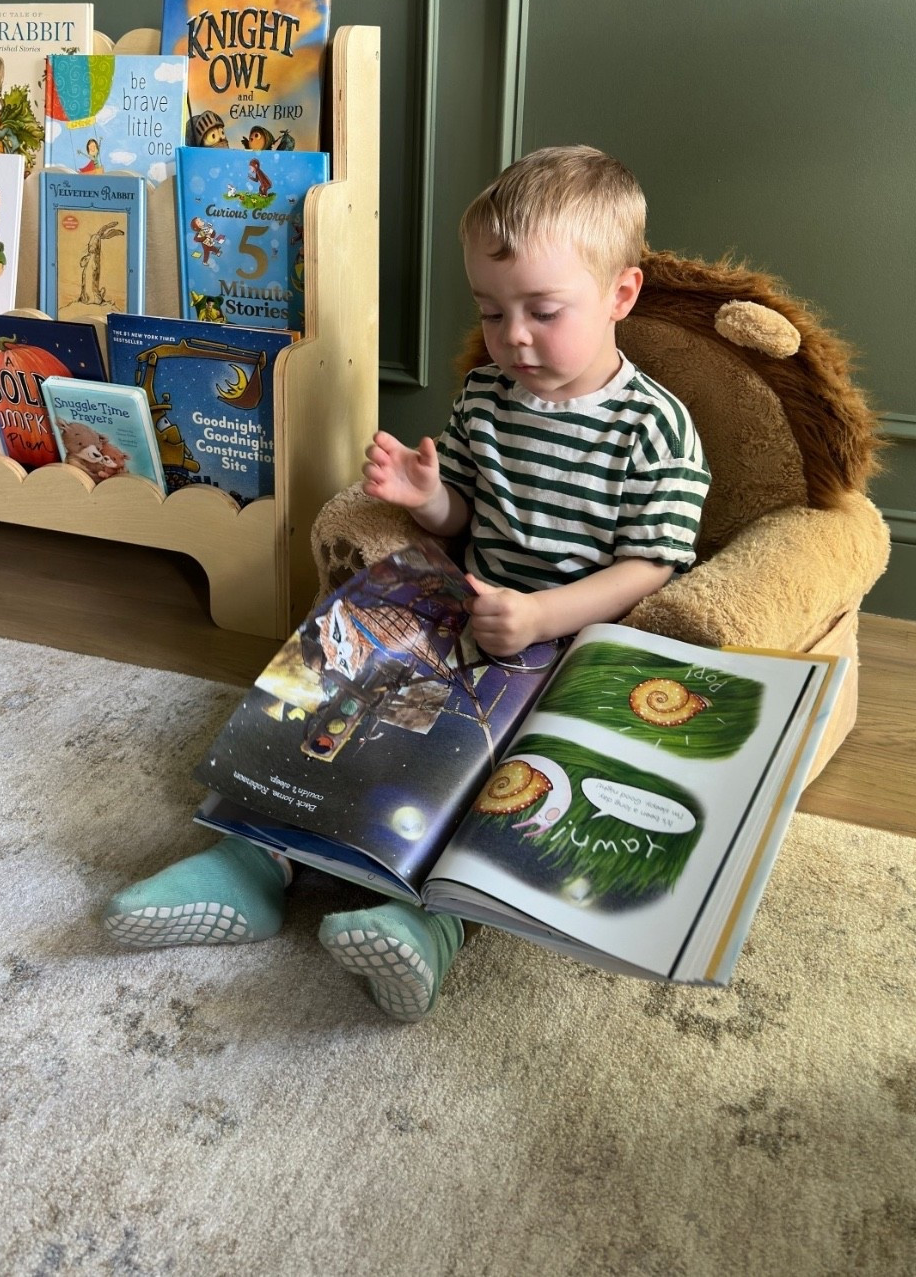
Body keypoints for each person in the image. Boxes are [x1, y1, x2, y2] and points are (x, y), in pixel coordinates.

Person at [102, 145, 711, 1020]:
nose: (515, 338)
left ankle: (430, 926)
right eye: (493, 312)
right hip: (470, 613)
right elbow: (468, 513)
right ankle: (251, 858)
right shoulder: (487, 396)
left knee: (506, 783)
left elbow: (653, 565)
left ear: (622, 294)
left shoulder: (656, 430)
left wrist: (543, 614)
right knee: (340, 697)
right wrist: (429, 501)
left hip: (572, 649)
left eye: (544, 311)